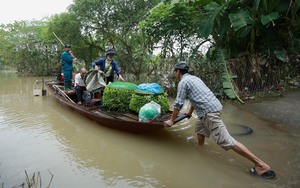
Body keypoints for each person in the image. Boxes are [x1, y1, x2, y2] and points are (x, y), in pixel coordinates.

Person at [164, 61, 276, 179]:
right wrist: (189, 113)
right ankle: (201, 148)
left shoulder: (183, 82)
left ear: (178, 71)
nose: (175, 74)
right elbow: (195, 97)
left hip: (209, 113)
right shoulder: (194, 79)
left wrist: (171, 120)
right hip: (213, 108)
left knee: (227, 140)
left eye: (175, 71)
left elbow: (178, 104)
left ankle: (260, 165)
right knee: (199, 128)